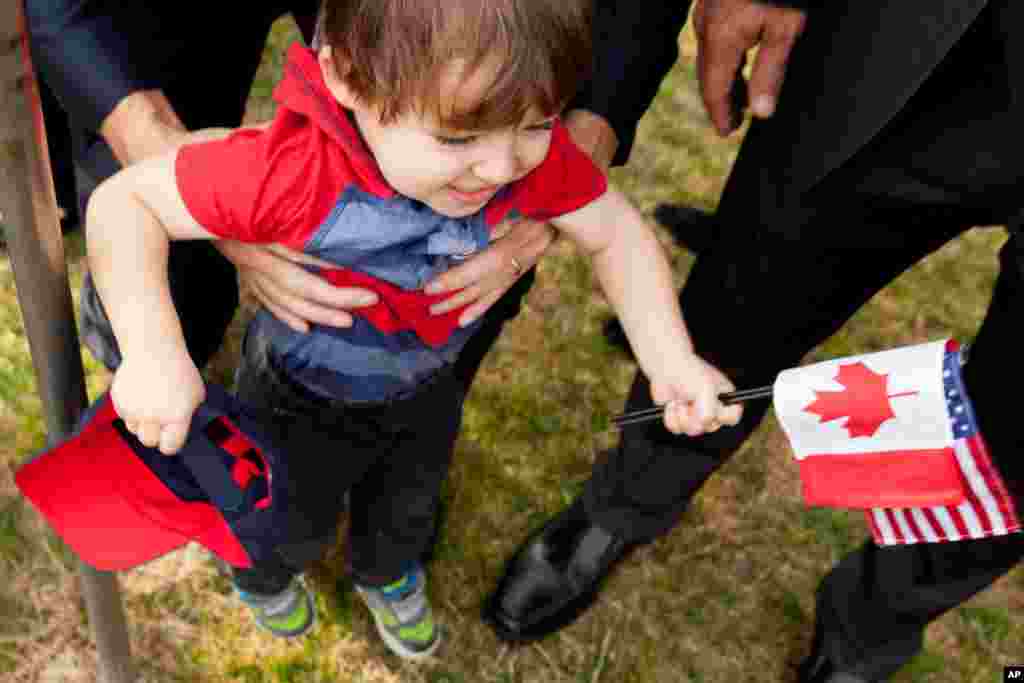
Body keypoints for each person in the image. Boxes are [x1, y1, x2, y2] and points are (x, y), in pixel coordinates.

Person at [83, 0, 742, 659]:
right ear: (346, 78)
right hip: (298, 396)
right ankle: (262, 575)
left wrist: (670, 356)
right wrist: (151, 351)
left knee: (410, 502)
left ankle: (386, 569)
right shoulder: (291, 170)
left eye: (538, 123)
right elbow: (126, 202)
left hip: (428, 384)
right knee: (285, 518)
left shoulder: (516, 144)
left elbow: (616, 231)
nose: (502, 166)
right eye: (457, 139)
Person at [485, 1, 1024, 681]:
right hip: (916, 42)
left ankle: (875, 622)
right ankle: (625, 502)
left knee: (1012, 447)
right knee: (739, 314)